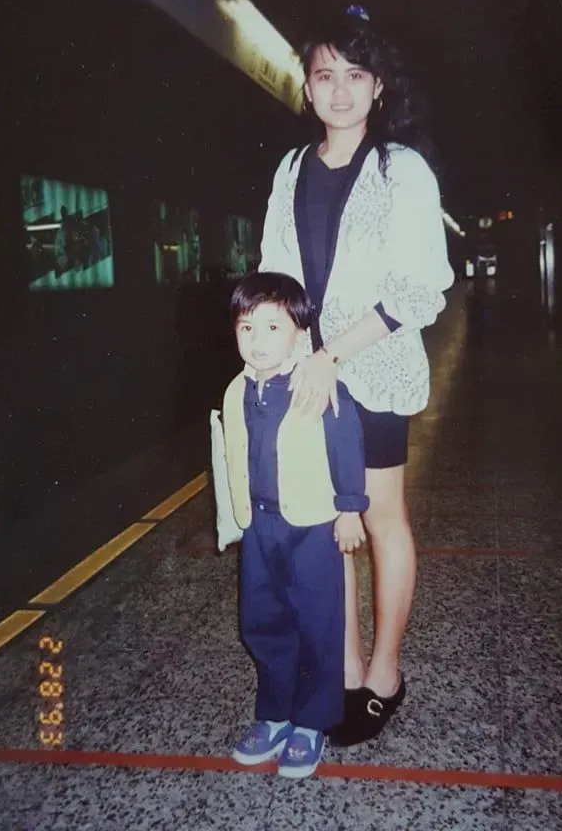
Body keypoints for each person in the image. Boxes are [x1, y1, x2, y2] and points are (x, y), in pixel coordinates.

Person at [258, 9, 454, 746]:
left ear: (377, 89)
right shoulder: (290, 169)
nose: (339, 91)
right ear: (307, 88)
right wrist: (277, 352)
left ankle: (385, 672)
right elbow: (277, 273)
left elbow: (421, 287)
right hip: (310, 378)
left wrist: (330, 352)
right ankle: (340, 671)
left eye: (355, 76)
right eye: (325, 75)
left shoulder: (400, 169)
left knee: (379, 520)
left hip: (371, 371)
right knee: (329, 530)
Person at [222, 271, 369, 778]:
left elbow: (346, 442)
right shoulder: (237, 390)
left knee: (317, 623)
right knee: (262, 622)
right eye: (246, 328)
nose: (257, 342)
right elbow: (232, 455)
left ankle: (312, 721)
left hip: (311, 526)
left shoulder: (315, 384)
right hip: (260, 527)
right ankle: (275, 713)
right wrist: (234, 516)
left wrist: (350, 508)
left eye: (271, 327)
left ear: (301, 333)